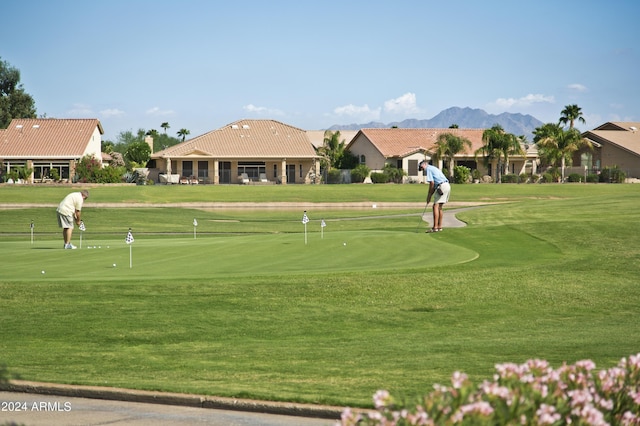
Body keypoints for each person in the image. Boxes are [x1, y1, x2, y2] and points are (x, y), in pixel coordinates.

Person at [419, 160, 450, 233]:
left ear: (425, 164)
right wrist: (430, 195)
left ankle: (435, 227)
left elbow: (432, 183)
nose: (422, 169)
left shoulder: (428, 169)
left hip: (441, 186)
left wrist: (429, 196)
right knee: (439, 207)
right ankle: (439, 227)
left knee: (435, 206)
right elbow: (434, 186)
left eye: (422, 167)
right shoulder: (433, 168)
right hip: (446, 186)